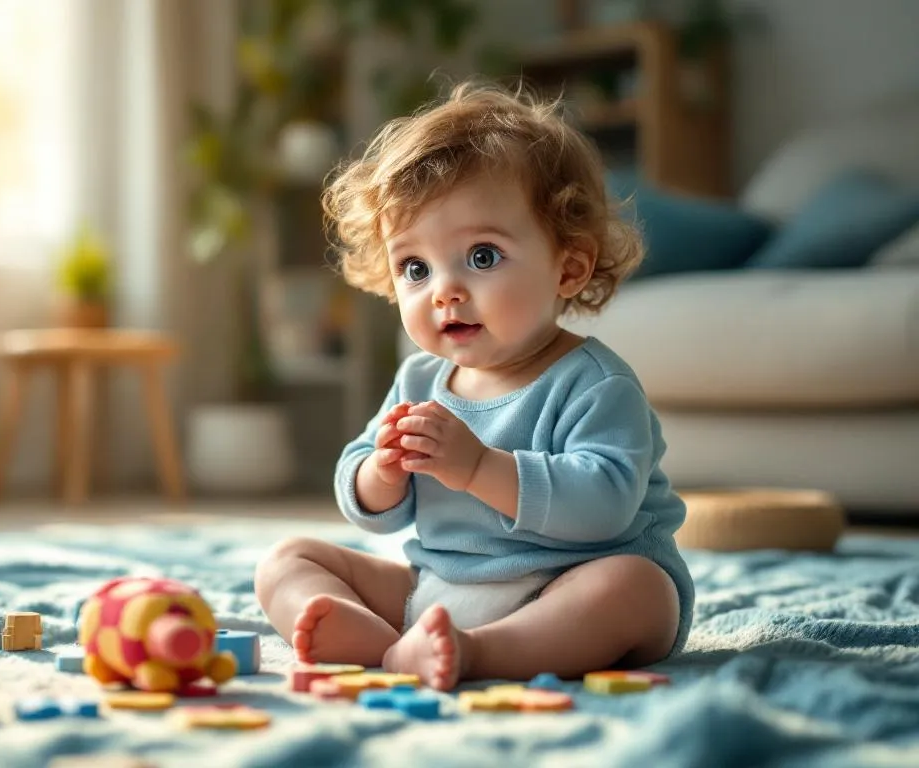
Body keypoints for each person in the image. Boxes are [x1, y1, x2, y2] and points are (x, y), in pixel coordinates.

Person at [254, 81, 694, 691]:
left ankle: (481, 653)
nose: (444, 290)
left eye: (482, 256)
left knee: (640, 590)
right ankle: (389, 645)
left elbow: (604, 506)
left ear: (569, 267)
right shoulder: (419, 378)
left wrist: (477, 466)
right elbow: (371, 507)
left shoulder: (596, 383)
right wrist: (381, 473)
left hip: (565, 584)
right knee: (288, 559)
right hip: (439, 586)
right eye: (416, 267)